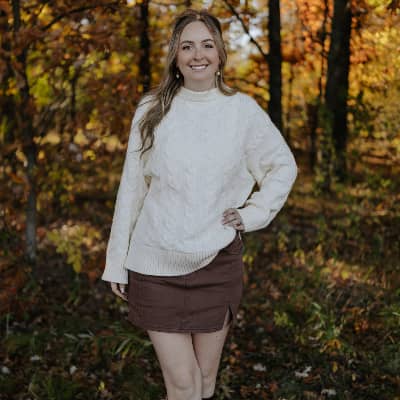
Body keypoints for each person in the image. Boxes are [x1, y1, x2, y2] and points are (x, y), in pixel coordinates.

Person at [101, 8, 297, 400]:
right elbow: (132, 189)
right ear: (175, 55)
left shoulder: (241, 111)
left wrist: (252, 214)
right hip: (155, 264)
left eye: (207, 45)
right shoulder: (152, 109)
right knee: (183, 383)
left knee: (205, 382)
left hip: (217, 262)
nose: (197, 55)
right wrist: (116, 259)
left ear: (220, 53)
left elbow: (282, 166)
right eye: (187, 46)